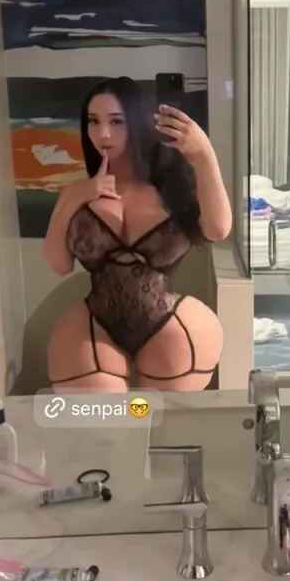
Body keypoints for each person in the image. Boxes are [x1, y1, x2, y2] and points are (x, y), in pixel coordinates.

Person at [43, 76, 232, 392]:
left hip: (170, 324)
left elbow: (218, 229)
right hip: (94, 325)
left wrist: (204, 154)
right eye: (93, 121)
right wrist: (77, 196)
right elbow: (59, 264)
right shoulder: (77, 192)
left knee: (156, 420)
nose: (103, 133)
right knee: (104, 421)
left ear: (139, 121)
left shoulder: (173, 187)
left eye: (117, 121)